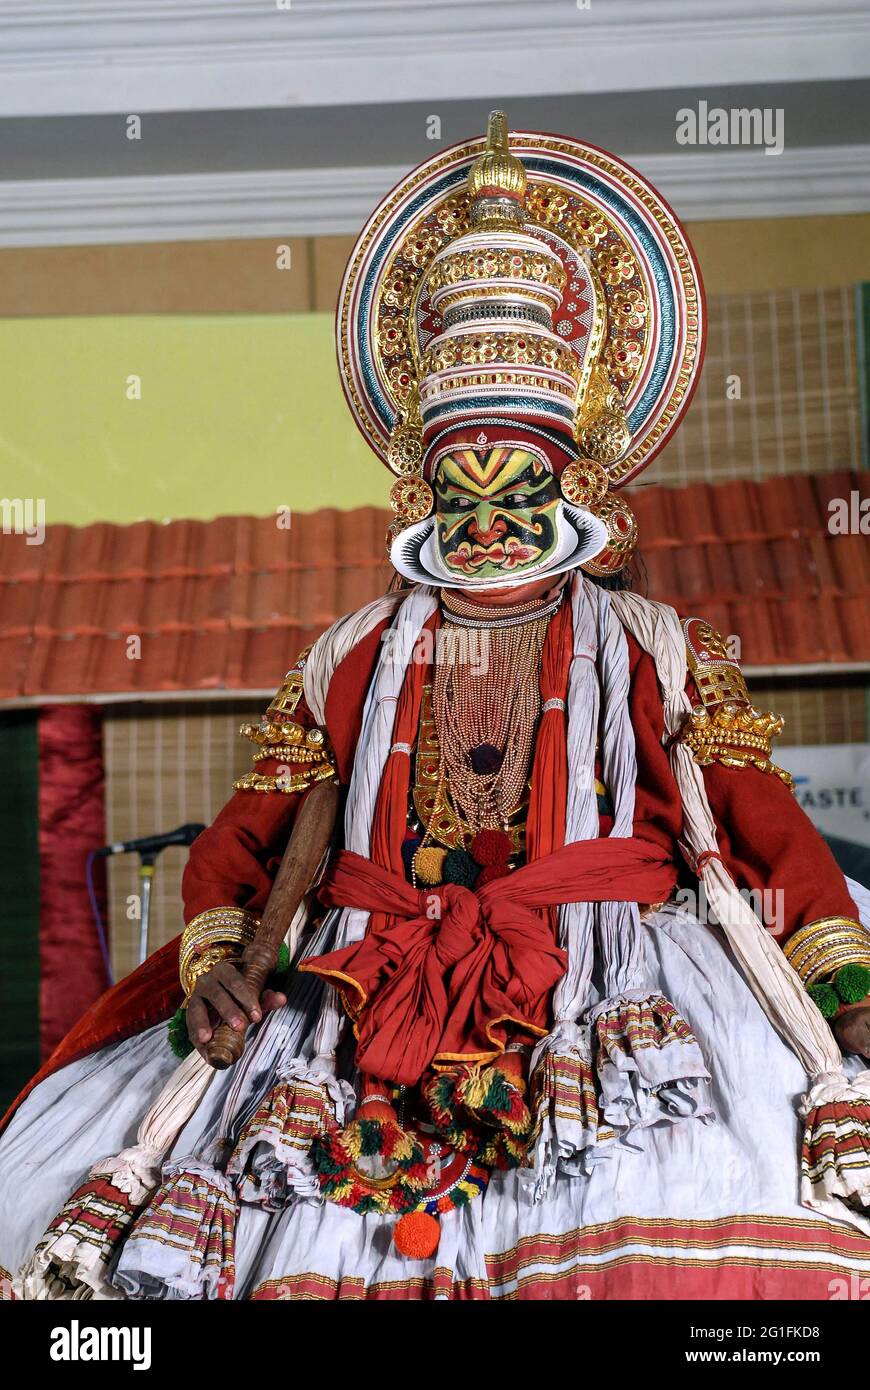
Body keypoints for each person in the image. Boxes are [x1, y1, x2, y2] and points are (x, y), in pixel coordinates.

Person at [1, 113, 869, 1302]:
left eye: (520, 482)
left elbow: (765, 829)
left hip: (613, 985)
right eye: (461, 482)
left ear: (578, 481)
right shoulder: (347, 659)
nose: (491, 517)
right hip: (357, 985)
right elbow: (242, 845)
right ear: (419, 481)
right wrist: (219, 955)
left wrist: (847, 992)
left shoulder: (657, 648)